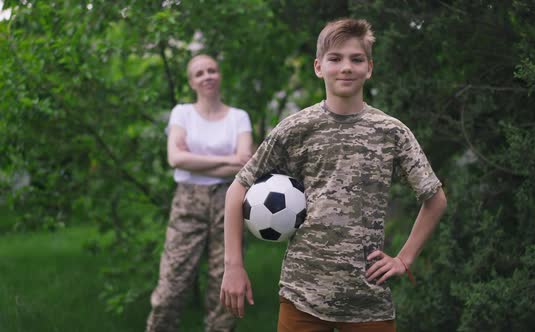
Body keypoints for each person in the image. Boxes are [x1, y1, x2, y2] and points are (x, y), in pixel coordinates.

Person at [220, 18, 447, 332]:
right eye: (335, 59)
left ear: (369, 67)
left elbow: (435, 199)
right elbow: (237, 189)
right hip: (303, 295)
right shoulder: (296, 128)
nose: (346, 67)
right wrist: (233, 266)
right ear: (318, 66)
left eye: (356, 59)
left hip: (369, 299)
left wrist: (404, 258)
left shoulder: (391, 132)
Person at [147, 54, 253, 332]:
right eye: (199, 73)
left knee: (225, 288)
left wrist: (195, 159)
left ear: (219, 75)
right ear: (191, 81)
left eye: (212, 70)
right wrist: (228, 161)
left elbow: (246, 164)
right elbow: (176, 159)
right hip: (188, 203)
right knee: (170, 287)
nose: (207, 76)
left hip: (229, 201)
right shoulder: (182, 113)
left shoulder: (238, 117)